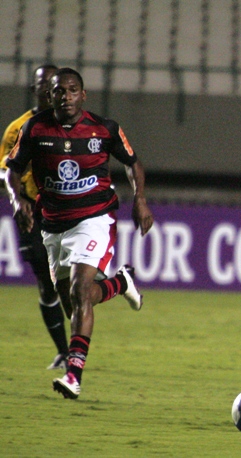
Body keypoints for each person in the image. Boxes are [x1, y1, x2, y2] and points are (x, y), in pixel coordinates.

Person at [4, 67, 154, 400]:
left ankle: (73, 375)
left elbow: (132, 162)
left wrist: (140, 200)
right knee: (73, 300)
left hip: (95, 218)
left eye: (73, 90)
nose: (66, 96)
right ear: (50, 95)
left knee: (81, 290)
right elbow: (10, 170)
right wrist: (17, 202)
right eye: (60, 91)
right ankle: (120, 283)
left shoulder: (103, 129)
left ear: (83, 95)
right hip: (53, 223)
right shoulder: (35, 128)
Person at [0, 64, 72, 370]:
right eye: (42, 84)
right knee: (46, 281)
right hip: (32, 210)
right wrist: (18, 201)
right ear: (35, 89)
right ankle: (64, 351)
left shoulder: (71, 124)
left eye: (52, 84)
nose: (47, 89)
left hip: (66, 209)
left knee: (72, 280)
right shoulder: (18, 128)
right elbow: (5, 170)